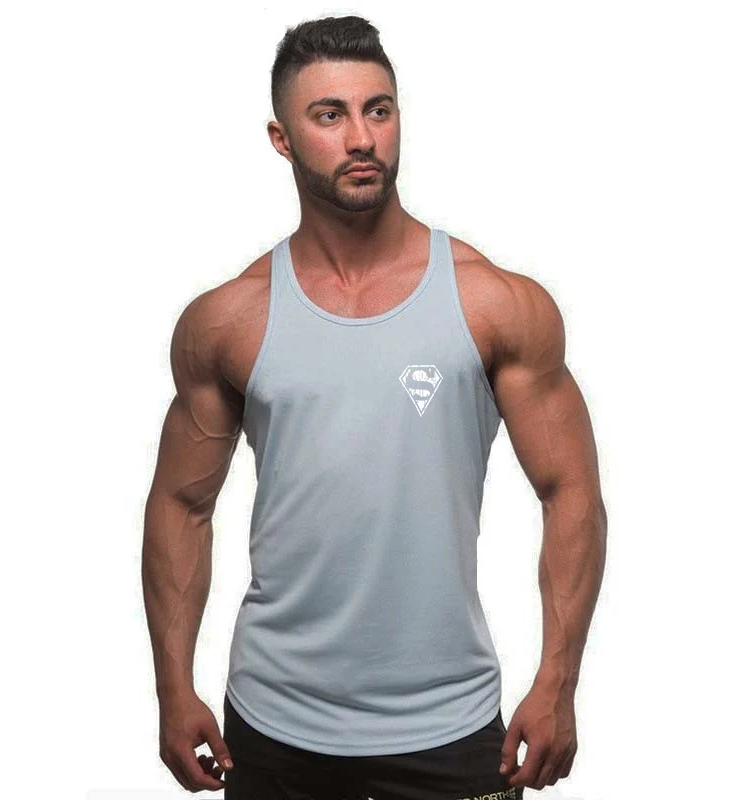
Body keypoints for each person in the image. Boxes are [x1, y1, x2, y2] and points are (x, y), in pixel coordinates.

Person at [142, 14, 607, 800]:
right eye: (329, 115)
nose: (362, 138)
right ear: (282, 139)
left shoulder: (494, 303)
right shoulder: (231, 320)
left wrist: (557, 682)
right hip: (272, 725)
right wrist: (173, 687)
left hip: (452, 726)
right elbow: (181, 505)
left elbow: (572, 492)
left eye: (378, 110)